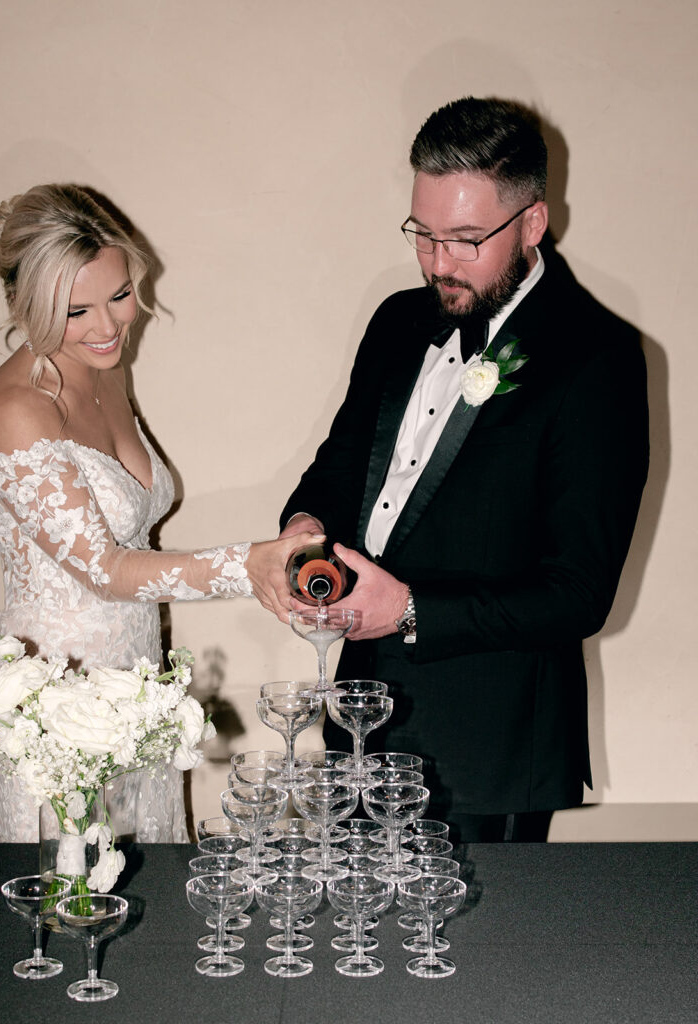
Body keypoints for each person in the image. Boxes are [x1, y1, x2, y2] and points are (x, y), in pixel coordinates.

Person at [266, 98, 649, 843]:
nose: (439, 261)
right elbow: (340, 470)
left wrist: (409, 610)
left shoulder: (596, 359)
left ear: (533, 223)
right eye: (424, 234)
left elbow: (578, 594)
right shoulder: (396, 321)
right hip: (358, 723)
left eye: (467, 239)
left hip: (489, 755)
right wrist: (305, 528)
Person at [0, 183, 320, 843]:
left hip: (136, 682)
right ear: (21, 303)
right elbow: (104, 569)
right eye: (74, 309)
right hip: (55, 699)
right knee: (63, 892)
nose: (109, 326)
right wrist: (246, 566)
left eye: (119, 295)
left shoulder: (105, 369)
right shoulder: (14, 408)